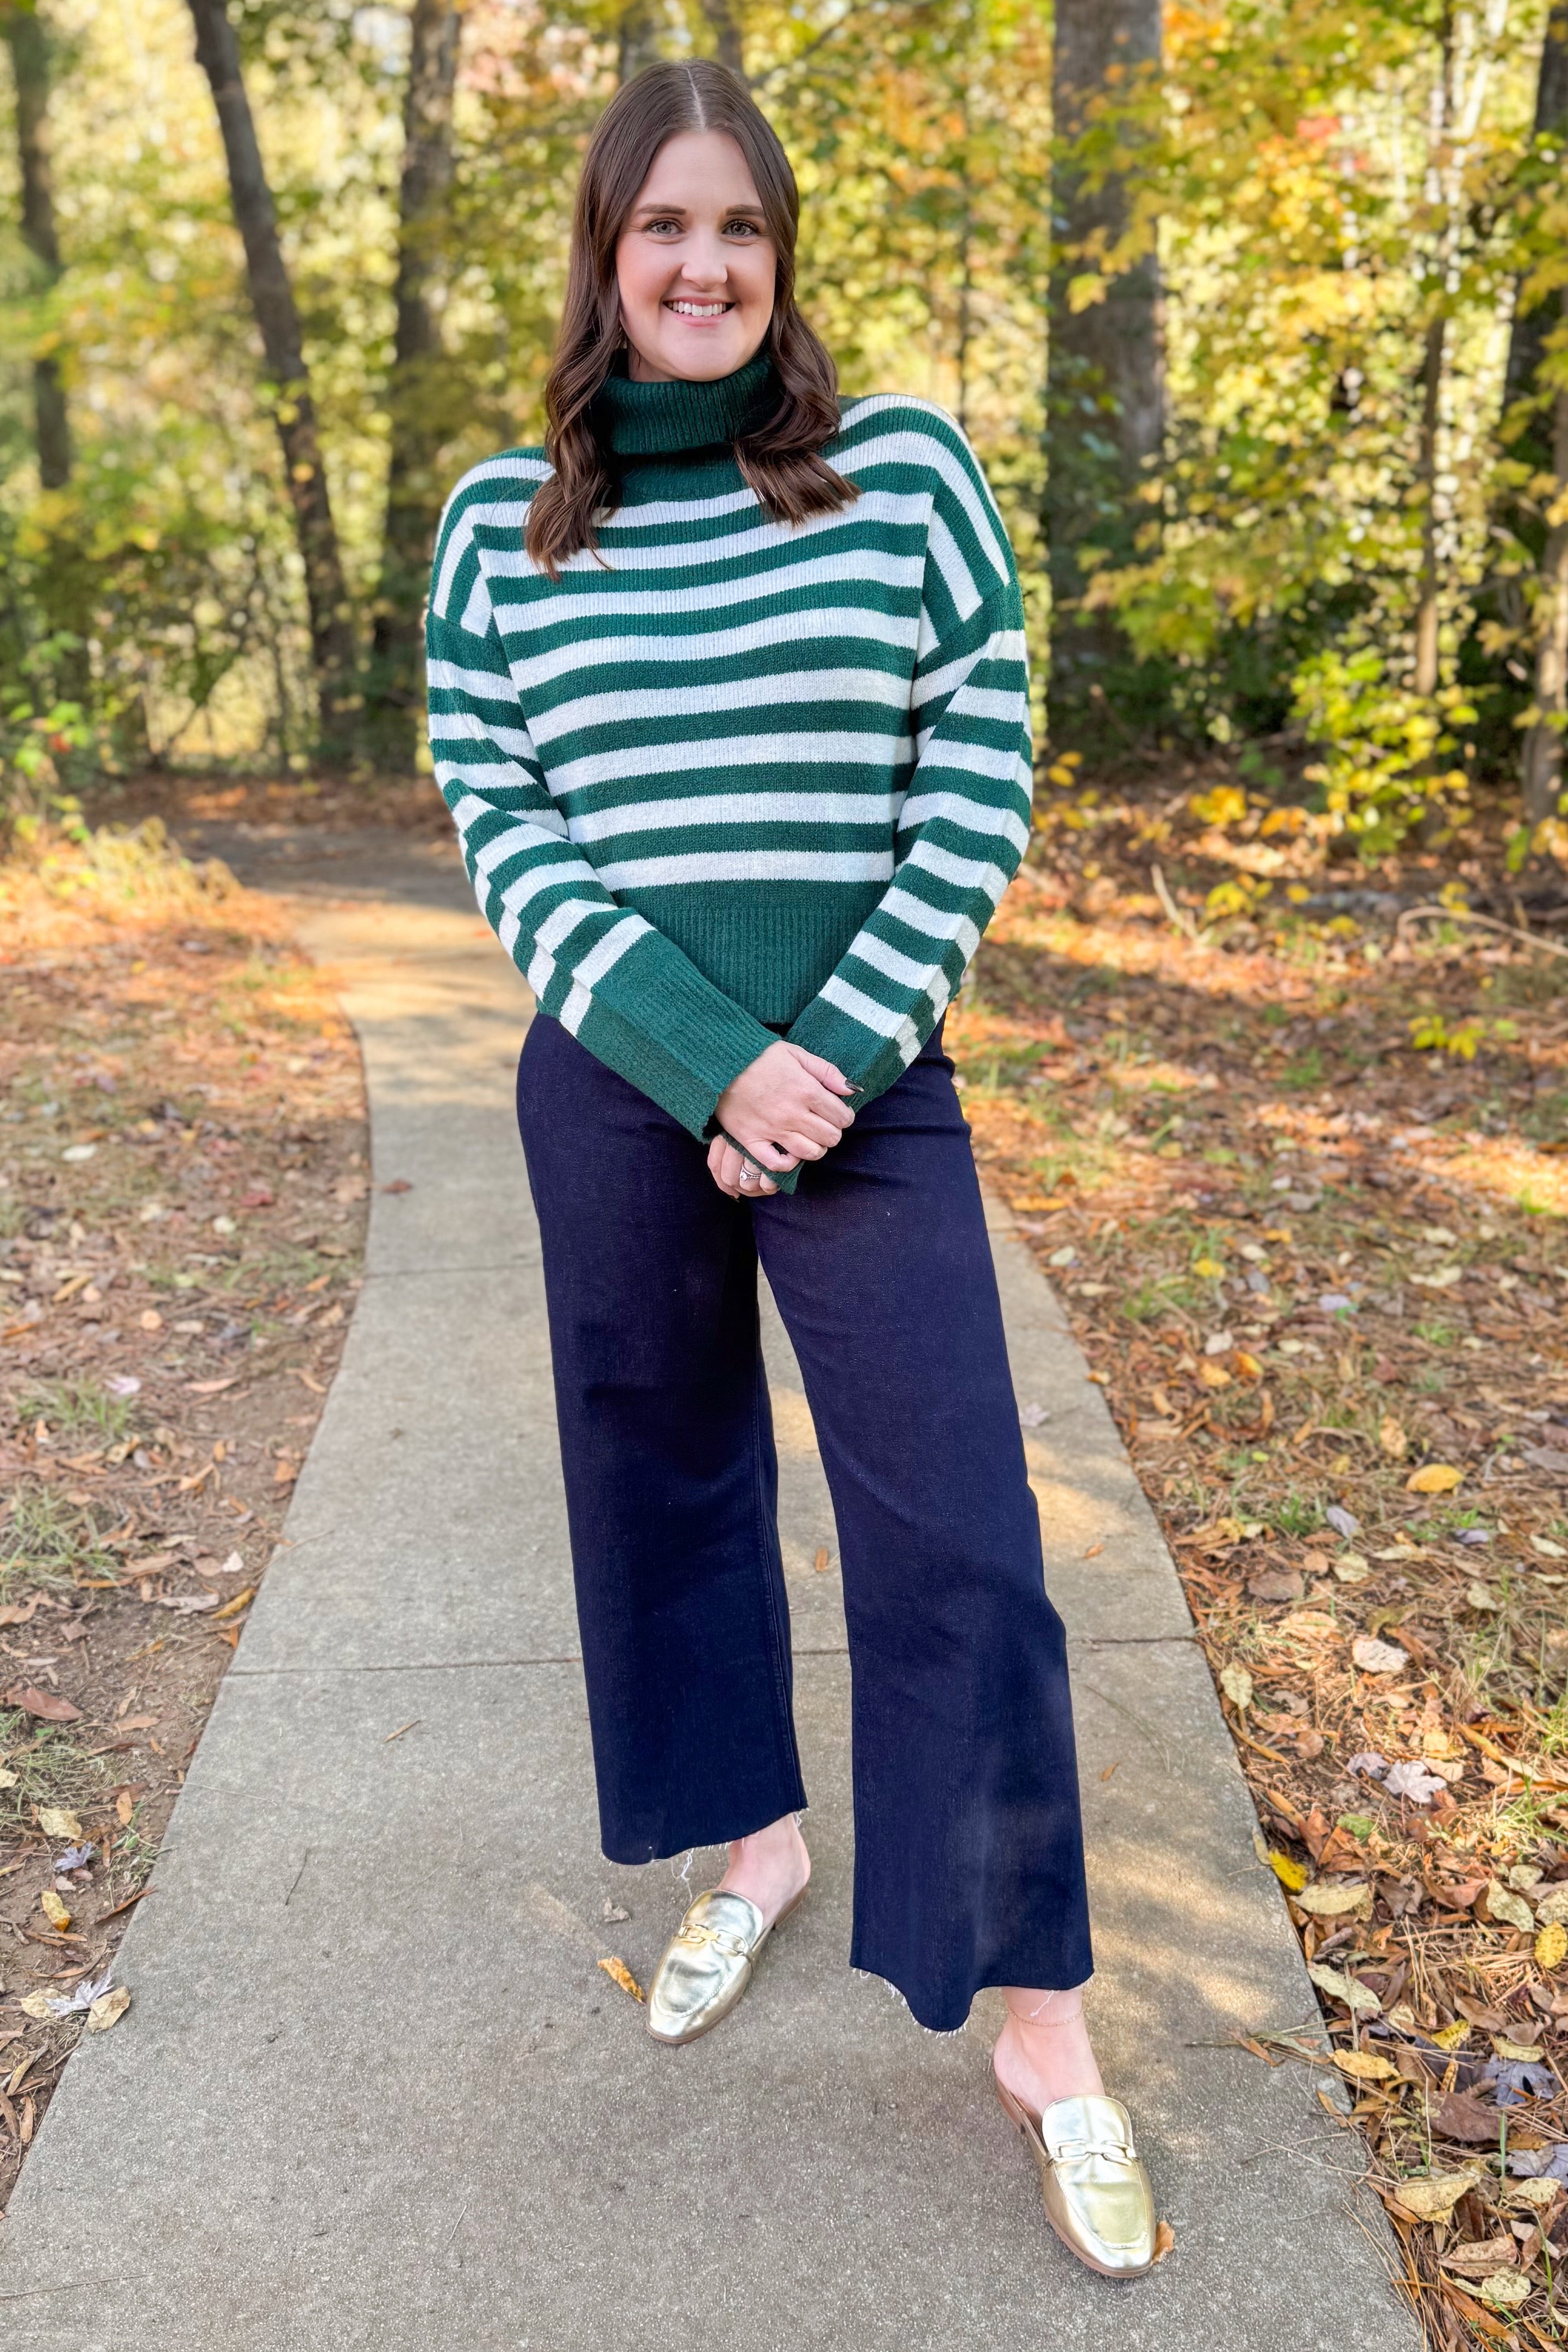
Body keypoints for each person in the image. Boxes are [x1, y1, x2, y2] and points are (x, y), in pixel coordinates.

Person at [427, 57, 1155, 2278]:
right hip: (619, 1084)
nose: (702, 266)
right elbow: (505, 825)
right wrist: (696, 1058)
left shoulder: (902, 474)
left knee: (960, 1534)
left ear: (780, 257)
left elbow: (979, 769)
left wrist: (816, 1057)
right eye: (662, 229)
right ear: (601, 256)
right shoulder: (501, 528)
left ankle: (1037, 2022)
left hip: (859, 1090)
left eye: (738, 229)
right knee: (661, 1478)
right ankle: (750, 1846)